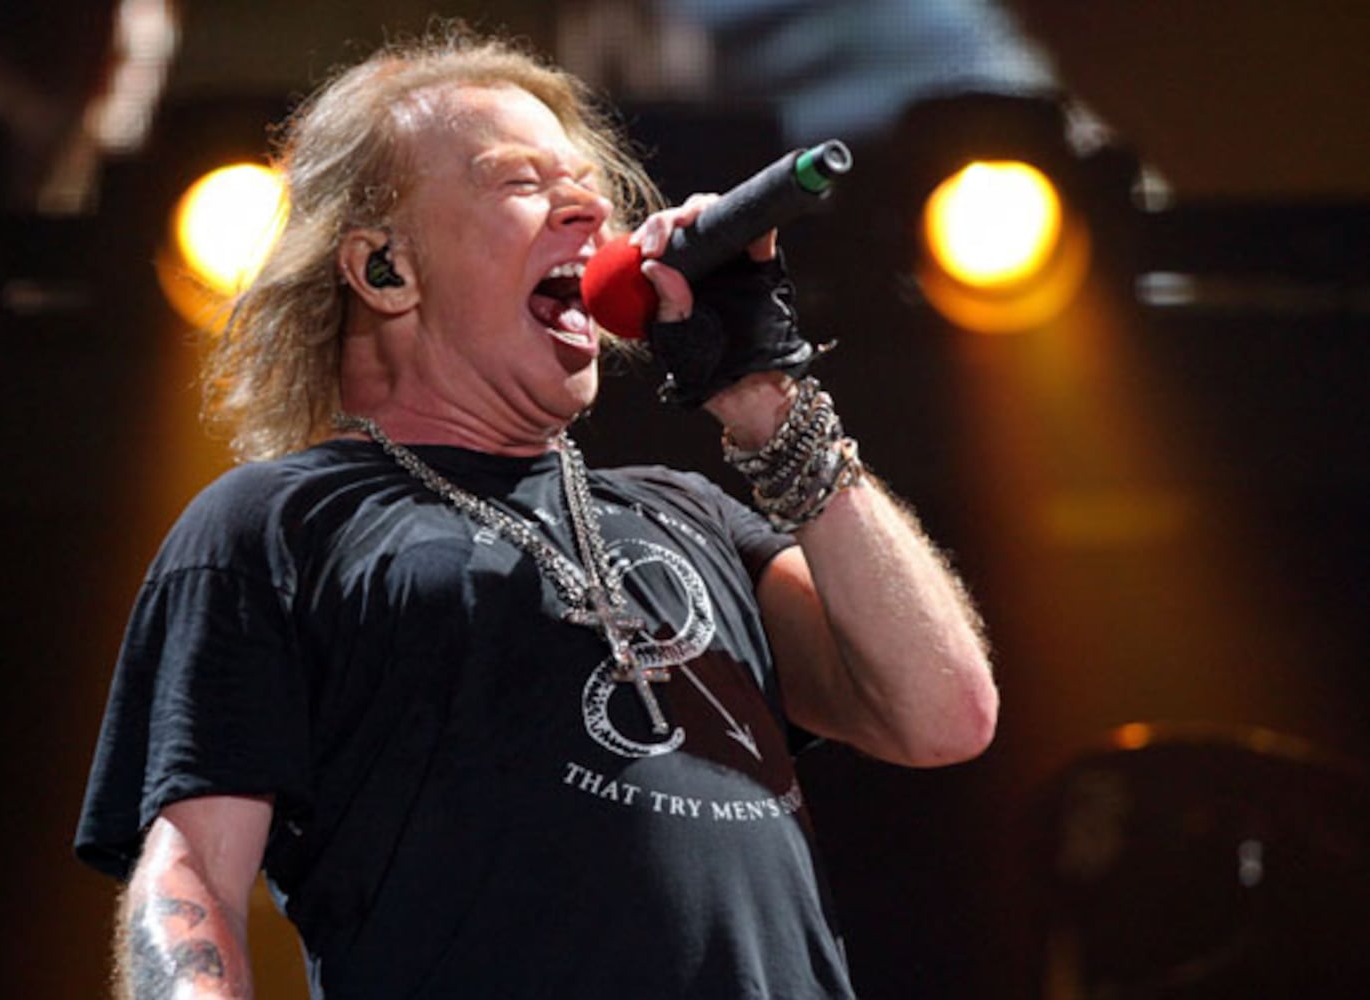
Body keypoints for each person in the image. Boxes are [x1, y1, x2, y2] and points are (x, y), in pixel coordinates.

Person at [75, 25, 997, 1000]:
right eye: (519, 181)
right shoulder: (283, 524)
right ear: (384, 268)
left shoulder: (687, 511)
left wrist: (770, 405)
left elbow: (941, 714)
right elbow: (191, 874)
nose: (590, 209)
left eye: (587, 185)